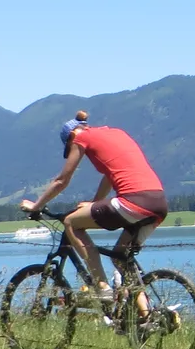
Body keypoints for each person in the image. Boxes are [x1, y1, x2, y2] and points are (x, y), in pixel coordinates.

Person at [22, 111, 169, 315]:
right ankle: (148, 317)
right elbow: (111, 176)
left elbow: (62, 180)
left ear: (71, 136)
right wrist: (94, 203)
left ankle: (102, 287)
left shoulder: (80, 137)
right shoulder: (117, 133)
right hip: (159, 203)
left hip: (133, 201)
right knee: (120, 257)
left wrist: (36, 205)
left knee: (71, 223)